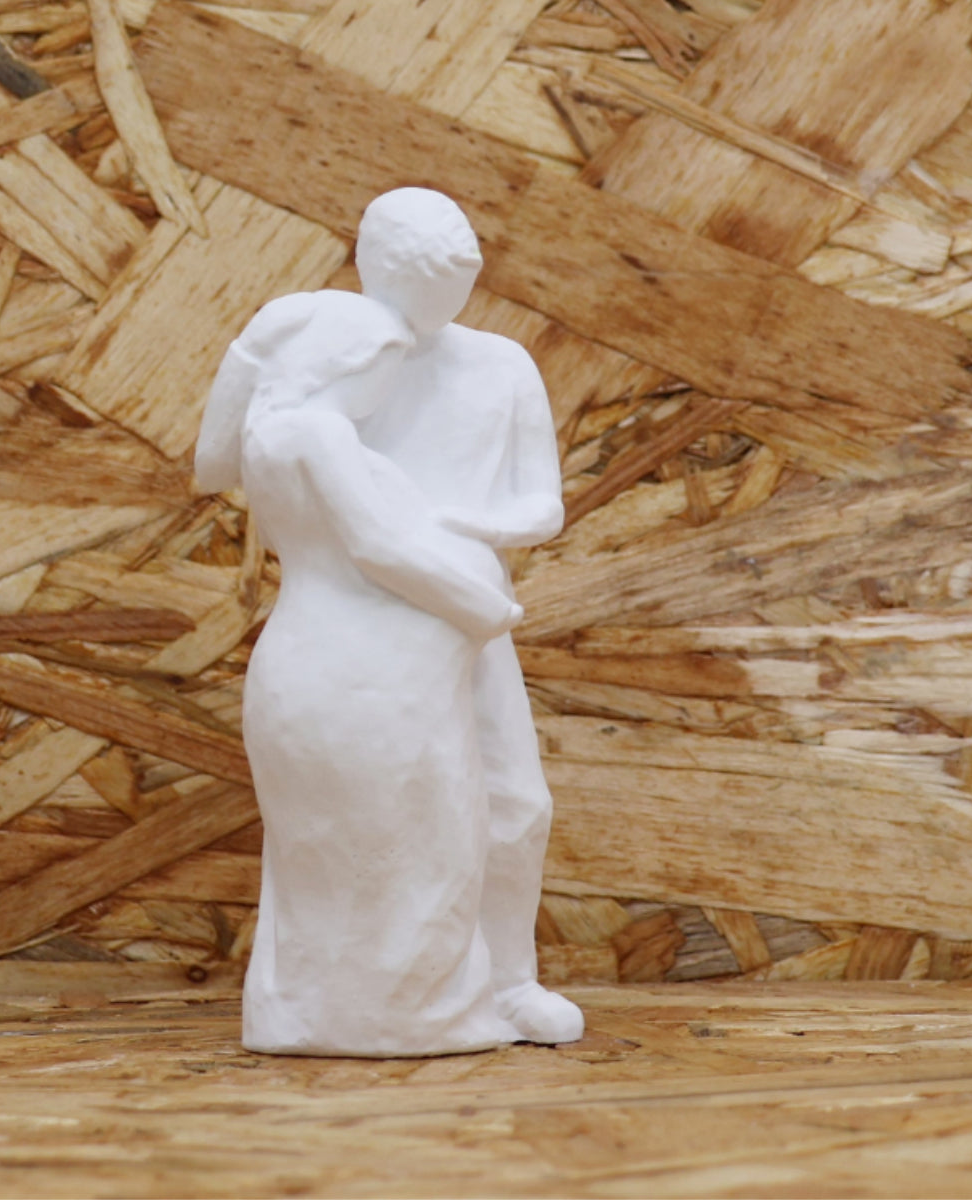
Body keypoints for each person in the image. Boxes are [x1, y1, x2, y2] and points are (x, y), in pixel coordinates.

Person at [196, 286, 526, 1056]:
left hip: (308, 659)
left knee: (325, 849)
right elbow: (380, 547)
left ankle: (300, 1012)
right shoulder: (322, 432)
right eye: (385, 366)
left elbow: (209, 462)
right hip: (367, 672)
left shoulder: (264, 433)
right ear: (345, 363)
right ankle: (415, 1015)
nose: (387, 388)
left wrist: (255, 345)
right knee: (414, 840)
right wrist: (486, 610)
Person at [355, 188, 584, 1045]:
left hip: (473, 613)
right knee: (389, 807)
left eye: (458, 283)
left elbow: (542, 504)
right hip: (367, 621)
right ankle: (386, 989)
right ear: (372, 267)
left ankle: (508, 980)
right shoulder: (341, 356)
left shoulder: (501, 365)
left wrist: (465, 525)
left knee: (516, 801)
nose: (442, 305)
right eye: (425, 285)